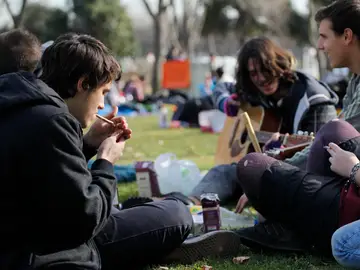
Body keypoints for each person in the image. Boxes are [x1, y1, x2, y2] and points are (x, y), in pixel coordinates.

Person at [0, 29, 197, 270]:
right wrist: (106, 161)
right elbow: (84, 218)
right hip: (48, 253)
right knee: (177, 214)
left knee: (125, 207)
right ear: (83, 84)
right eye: (103, 92)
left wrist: (88, 144)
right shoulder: (52, 120)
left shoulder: (17, 106)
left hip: (24, 241)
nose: (103, 104)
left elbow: (41, 174)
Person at [230, 0, 360, 256]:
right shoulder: (355, 83)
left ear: (346, 36)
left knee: (253, 167)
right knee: (245, 167)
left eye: (324, 37)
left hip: (346, 192)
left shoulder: (312, 96)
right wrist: (278, 161)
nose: (320, 45)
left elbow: (329, 141)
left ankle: (294, 230)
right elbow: (320, 145)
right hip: (337, 185)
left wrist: (354, 168)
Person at [182, 36, 339, 206]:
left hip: (299, 178)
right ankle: (190, 206)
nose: (262, 79)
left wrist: (276, 156)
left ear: (279, 63)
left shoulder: (313, 100)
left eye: (266, 69)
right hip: (269, 166)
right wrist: (226, 103)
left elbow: (317, 156)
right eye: (253, 73)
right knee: (223, 171)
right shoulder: (253, 88)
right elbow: (220, 88)